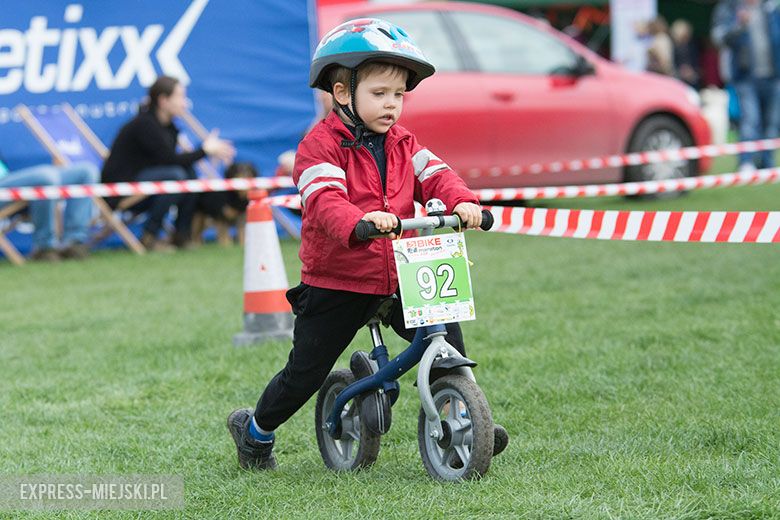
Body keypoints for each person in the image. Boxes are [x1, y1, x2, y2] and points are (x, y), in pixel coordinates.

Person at [227, 18, 508, 471]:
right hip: (338, 279)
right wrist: (360, 221)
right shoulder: (319, 147)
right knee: (306, 373)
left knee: (444, 337)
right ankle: (255, 431)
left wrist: (465, 203)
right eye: (380, 94)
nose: (392, 105)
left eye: (399, 95)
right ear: (343, 93)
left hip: (397, 272)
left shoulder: (402, 142)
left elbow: (436, 174)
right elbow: (324, 201)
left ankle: (465, 413)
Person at [101, 76, 236, 250]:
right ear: (163, 100)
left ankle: (182, 235)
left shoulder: (168, 127)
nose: (184, 103)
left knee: (188, 173)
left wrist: (206, 151)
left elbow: (173, 160)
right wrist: (205, 150)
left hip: (146, 187)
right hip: (120, 191)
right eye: (180, 97)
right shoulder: (144, 124)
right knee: (176, 176)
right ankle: (149, 236)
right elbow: (169, 160)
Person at [712, 0, 780, 170]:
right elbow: (718, 38)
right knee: (750, 121)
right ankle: (746, 162)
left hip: (773, 76)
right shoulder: (730, 7)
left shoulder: (771, 7)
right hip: (745, 77)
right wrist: (739, 25)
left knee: (771, 124)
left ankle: (766, 163)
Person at [0, 159, 98, 261]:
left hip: (7, 179)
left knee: (86, 172)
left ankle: (74, 243)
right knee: (45, 177)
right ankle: (44, 247)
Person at [671, 19, 701, 88]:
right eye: (683, 36)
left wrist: (692, 72)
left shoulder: (692, 47)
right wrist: (680, 72)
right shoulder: (672, 48)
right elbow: (670, 66)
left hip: (691, 82)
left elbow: (697, 67)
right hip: (676, 81)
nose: (685, 39)